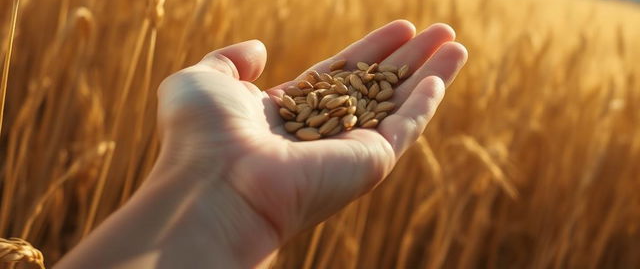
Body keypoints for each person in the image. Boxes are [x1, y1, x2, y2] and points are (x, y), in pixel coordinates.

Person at [56, 20, 467, 268]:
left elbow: (348, 101)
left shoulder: (342, 98)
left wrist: (218, 190)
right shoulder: (335, 99)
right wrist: (230, 198)